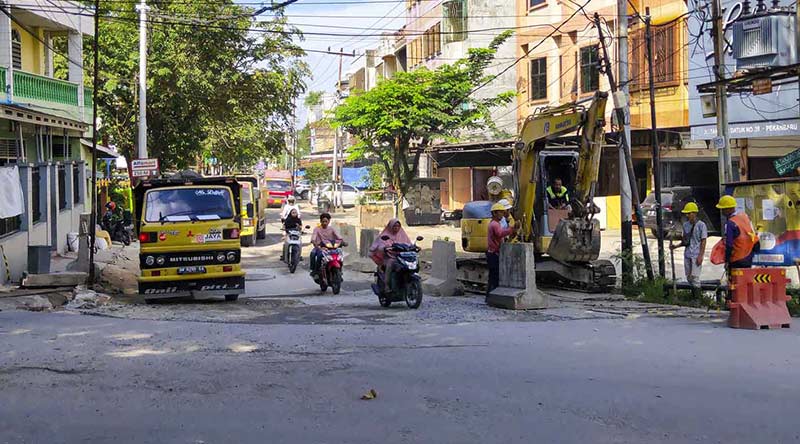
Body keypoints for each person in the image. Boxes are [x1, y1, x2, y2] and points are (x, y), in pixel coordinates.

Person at [670, 202, 708, 299]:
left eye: (689, 213)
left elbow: (703, 241)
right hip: (687, 253)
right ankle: (692, 295)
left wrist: (701, 255)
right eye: (686, 214)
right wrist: (675, 246)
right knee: (689, 276)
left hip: (696, 254)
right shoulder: (686, 225)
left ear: (694, 213)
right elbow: (685, 241)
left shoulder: (701, 225)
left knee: (695, 277)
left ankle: (697, 299)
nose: (687, 216)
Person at [369, 218, 411, 293]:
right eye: (394, 226)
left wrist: (414, 247)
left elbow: (408, 243)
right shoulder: (384, 235)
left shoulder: (402, 234)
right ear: (390, 226)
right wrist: (384, 248)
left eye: (398, 226)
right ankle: (387, 286)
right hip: (389, 257)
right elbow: (379, 244)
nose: (396, 228)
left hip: (402, 257)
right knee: (390, 264)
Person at [716, 195, 757, 269]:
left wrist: (727, 261)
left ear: (728, 209)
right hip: (748, 256)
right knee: (746, 279)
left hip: (737, 258)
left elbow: (729, 244)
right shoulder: (745, 217)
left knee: (736, 279)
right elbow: (753, 234)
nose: (721, 212)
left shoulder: (730, 223)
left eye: (722, 209)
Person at [487, 202, 518, 294]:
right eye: (500, 212)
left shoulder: (496, 223)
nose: (502, 214)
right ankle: (492, 295)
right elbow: (500, 233)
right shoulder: (495, 224)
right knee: (494, 276)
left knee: (493, 276)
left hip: (494, 253)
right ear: (494, 213)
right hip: (493, 254)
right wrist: (512, 229)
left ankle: (490, 295)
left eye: (502, 212)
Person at [309, 212, 342, 278]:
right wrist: (316, 245)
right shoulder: (317, 229)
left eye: (326, 221)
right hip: (320, 247)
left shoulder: (332, 229)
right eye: (323, 221)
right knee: (313, 254)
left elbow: (339, 237)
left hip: (331, 247)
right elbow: (313, 239)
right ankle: (315, 270)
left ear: (329, 221)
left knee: (340, 255)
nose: (324, 223)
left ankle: (340, 272)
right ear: (320, 221)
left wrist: (343, 242)